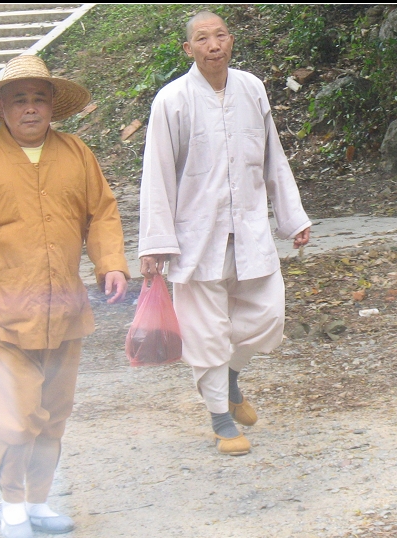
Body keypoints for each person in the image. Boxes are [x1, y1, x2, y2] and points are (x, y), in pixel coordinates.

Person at [0, 55, 130, 538]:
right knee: (14, 417)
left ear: (53, 106)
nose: (31, 108)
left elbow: (102, 213)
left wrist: (111, 263)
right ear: (3, 108)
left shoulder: (77, 153)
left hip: (65, 310)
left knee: (54, 413)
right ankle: (12, 504)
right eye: (20, 100)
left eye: (39, 98)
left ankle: (38, 500)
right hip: (1, 315)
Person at [138, 11, 311, 456]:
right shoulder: (172, 100)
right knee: (206, 330)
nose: (213, 45)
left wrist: (292, 217)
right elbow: (157, 173)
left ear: (231, 41)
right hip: (195, 236)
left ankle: (230, 377)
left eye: (220, 36)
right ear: (188, 49)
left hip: (249, 228)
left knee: (268, 315)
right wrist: (155, 244)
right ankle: (220, 419)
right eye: (202, 38)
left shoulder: (252, 88)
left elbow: (273, 157)